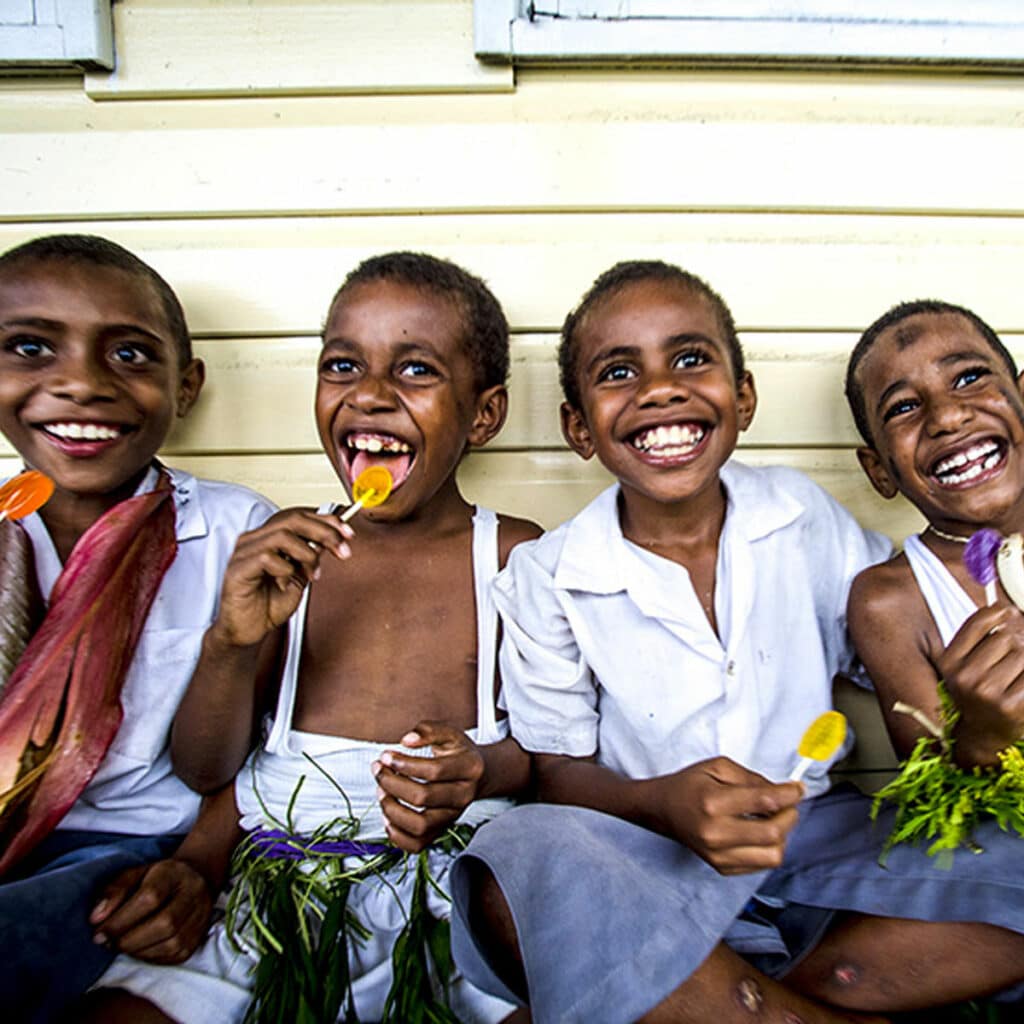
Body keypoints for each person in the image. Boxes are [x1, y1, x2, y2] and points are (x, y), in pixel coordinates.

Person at [448, 262, 1024, 1024]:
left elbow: (910, 693)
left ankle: (715, 997)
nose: (660, 389)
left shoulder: (801, 517)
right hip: (644, 853)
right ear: (578, 428)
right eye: (619, 372)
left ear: (743, 397)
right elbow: (555, 770)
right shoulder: (547, 575)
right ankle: (789, 1002)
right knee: (514, 857)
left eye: (691, 359)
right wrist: (663, 803)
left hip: (824, 844)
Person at [86, 251, 540, 1023]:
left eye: (417, 370)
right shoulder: (288, 552)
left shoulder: (512, 556)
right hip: (271, 889)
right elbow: (208, 767)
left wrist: (479, 769)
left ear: (484, 414)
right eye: (342, 365)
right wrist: (231, 641)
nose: (369, 395)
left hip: (448, 898)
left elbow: (548, 754)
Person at [0, 234, 275, 1023]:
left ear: (185, 386)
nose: (81, 384)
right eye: (30, 347)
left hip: (130, 857)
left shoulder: (229, 532)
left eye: (128, 354)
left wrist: (197, 864)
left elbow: (233, 758)